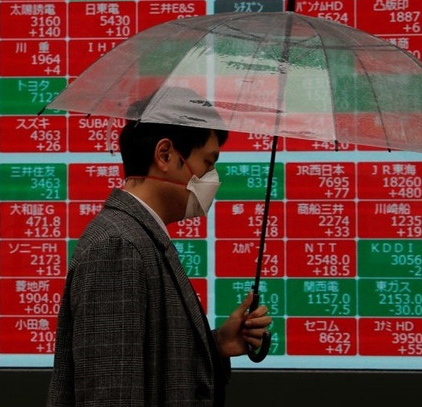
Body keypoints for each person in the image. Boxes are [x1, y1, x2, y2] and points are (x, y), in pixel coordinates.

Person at [46, 91, 273, 406]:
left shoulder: (139, 235)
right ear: (165, 155)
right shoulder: (118, 246)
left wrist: (216, 344)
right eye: (208, 162)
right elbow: (112, 393)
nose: (213, 179)